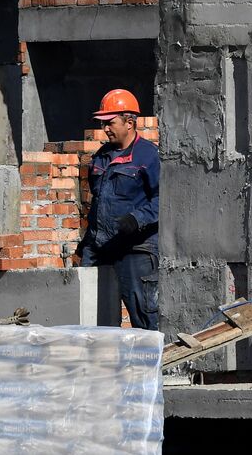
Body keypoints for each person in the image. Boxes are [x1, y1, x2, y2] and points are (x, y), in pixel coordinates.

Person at [78, 88, 160, 331]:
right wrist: (87, 242)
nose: (105, 129)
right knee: (88, 317)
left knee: (144, 317)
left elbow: (163, 199)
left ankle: (151, 366)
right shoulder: (101, 156)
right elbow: (98, 201)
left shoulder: (148, 155)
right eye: (103, 123)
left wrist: (137, 219)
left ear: (130, 122)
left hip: (135, 248)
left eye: (110, 123)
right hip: (100, 247)